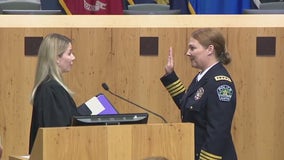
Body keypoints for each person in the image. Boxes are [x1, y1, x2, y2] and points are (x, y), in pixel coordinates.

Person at [160, 28, 237, 160]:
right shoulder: (202, 77)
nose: (188, 53)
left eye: (192, 48)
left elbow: (218, 131)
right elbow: (189, 106)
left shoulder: (220, 83)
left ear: (210, 49)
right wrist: (170, 76)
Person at [29, 33, 92, 154]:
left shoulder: (49, 87)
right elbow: (59, 133)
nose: (73, 57)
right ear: (56, 58)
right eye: (69, 53)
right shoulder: (51, 90)